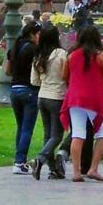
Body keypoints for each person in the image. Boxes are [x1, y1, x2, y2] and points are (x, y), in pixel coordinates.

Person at [62, 24, 103, 182]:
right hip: (95, 99)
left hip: (75, 98)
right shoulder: (100, 56)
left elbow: (65, 76)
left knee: (77, 134)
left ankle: (76, 172)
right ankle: (93, 168)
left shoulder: (71, 55)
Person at [30, 23, 67, 181]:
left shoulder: (39, 56)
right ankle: (40, 160)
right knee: (57, 135)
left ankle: (53, 170)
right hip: (57, 96)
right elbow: (66, 76)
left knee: (48, 135)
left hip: (42, 96)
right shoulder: (61, 54)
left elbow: (34, 81)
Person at [4, 19, 40, 175]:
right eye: (39, 34)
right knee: (27, 128)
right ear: (33, 34)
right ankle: (20, 161)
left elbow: (7, 70)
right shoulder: (33, 49)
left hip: (14, 89)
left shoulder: (16, 46)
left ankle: (18, 160)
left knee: (21, 126)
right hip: (29, 89)